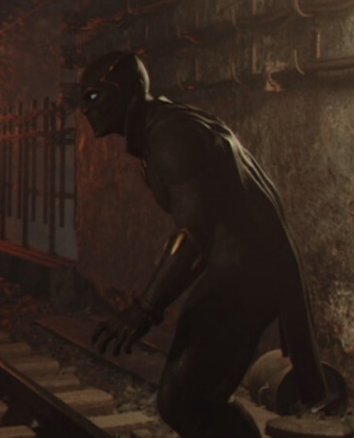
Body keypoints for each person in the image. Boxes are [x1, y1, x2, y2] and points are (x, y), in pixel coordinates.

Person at [81, 52, 330, 437]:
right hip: (234, 270)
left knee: (184, 400)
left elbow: (194, 235)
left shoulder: (170, 136)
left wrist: (143, 309)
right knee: (186, 399)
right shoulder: (162, 127)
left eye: (94, 97)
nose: (87, 109)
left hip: (245, 275)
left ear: (122, 92)